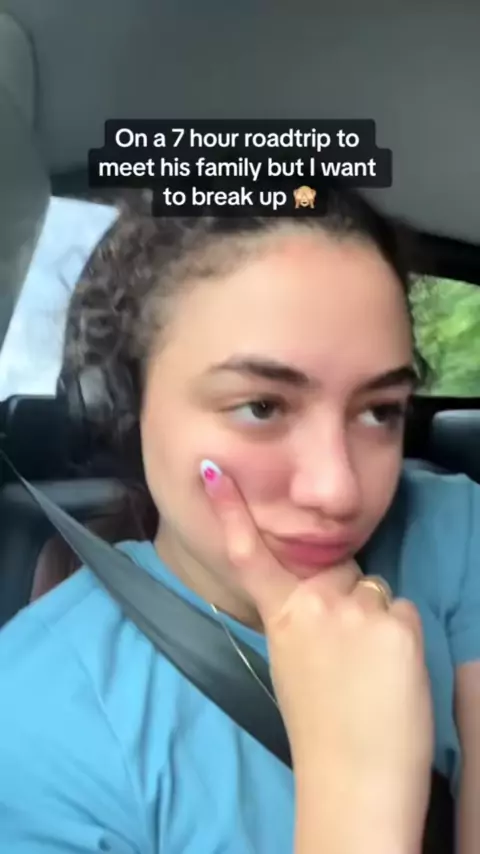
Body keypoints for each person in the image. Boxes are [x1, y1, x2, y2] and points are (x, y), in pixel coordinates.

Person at [0, 188, 478, 853]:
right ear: (127, 404)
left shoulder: (453, 530)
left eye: (379, 411)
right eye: (261, 407)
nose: (338, 491)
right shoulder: (28, 716)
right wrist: (358, 796)